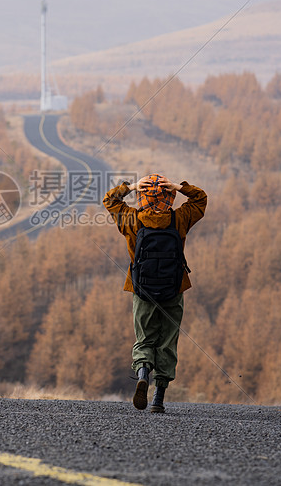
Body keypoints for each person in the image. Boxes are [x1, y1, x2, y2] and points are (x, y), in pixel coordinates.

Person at [103, 173, 207, 412]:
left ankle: (142, 373)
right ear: (169, 198)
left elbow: (110, 200)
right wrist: (180, 187)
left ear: (141, 197)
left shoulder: (131, 219)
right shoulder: (180, 218)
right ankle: (159, 398)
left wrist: (131, 186)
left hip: (142, 288)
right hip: (174, 286)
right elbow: (200, 199)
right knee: (168, 340)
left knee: (145, 338)